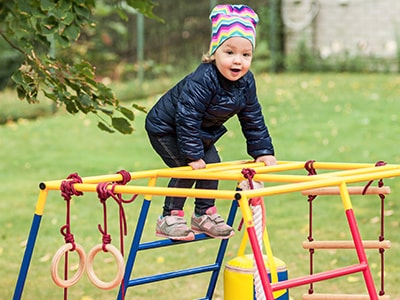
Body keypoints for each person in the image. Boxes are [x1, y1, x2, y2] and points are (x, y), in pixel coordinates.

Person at [145, 4, 277, 241]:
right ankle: (169, 217)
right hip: (166, 128)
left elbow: (252, 117)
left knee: (213, 165)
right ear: (214, 52)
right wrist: (194, 156)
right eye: (229, 52)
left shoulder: (246, 83)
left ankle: (203, 214)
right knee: (186, 168)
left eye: (246, 55)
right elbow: (187, 117)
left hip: (197, 131)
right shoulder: (203, 79)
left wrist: (263, 151)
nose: (238, 61)